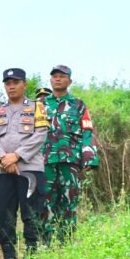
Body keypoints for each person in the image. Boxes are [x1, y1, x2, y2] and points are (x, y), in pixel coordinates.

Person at [0, 68, 48, 259]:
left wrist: (17, 156)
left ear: (24, 84)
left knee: (32, 214)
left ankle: (32, 257)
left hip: (30, 169)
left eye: (15, 82)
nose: (11, 86)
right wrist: (4, 159)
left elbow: (40, 134)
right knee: (4, 214)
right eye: (7, 83)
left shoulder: (37, 107)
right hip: (3, 170)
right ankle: (9, 258)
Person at [42, 65, 99, 243]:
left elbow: (87, 131)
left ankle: (66, 241)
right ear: (50, 80)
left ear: (70, 81)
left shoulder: (79, 105)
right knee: (45, 201)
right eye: (55, 76)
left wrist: (89, 157)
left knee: (69, 199)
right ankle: (46, 242)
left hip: (70, 161)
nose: (58, 79)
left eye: (62, 76)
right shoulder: (40, 105)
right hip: (45, 160)